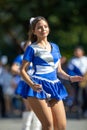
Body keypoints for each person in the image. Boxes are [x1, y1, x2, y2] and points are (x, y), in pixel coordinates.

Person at [20, 16, 83, 130]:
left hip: (55, 86)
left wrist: (70, 78)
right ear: (34, 31)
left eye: (45, 26)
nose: (43, 29)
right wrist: (31, 84)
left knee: (61, 126)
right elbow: (22, 70)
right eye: (39, 28)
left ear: (48, 29)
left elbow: (58, 71)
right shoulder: (32, 48)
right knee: (48, 126)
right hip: (37, 87)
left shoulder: (55, 47)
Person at [11, 41, 41, 130]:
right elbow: (13, 68)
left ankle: (37, 127)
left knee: (39, 106)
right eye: (27, 46)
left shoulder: (38, 56)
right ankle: (26, 127)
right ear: (24, 48)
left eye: (31, 46)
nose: (29, 48)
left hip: (38, 83)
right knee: (29, 107)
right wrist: (24, 73)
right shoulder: (20, 57)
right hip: (26, 83)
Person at [67, 46, 87, 118]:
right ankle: (79, 111)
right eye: (76, 51)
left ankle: (85, 111)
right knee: (78, 97)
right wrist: (77, 77)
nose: (77, 53)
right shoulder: (72, 61)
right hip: (77, 82)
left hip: (86, 81)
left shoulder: (85, 59)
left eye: (78, 51)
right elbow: (70, 71)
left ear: (82, 52)